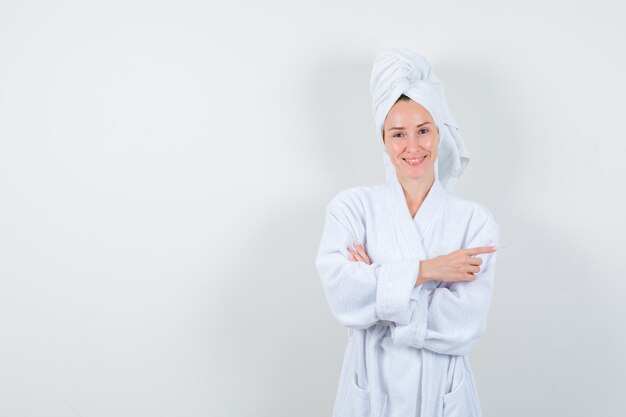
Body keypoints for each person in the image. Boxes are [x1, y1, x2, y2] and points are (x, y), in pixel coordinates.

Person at [315, 48, 501, 417]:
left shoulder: (474, 221)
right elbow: (343, 296)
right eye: (398, 133)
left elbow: (466, 324)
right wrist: (428, 270)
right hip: (370, 389)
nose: (412, 147)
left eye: (423, 131)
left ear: (440, 134)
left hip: (442, 392)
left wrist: (379, 289)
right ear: (383, 140)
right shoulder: (351, 208)